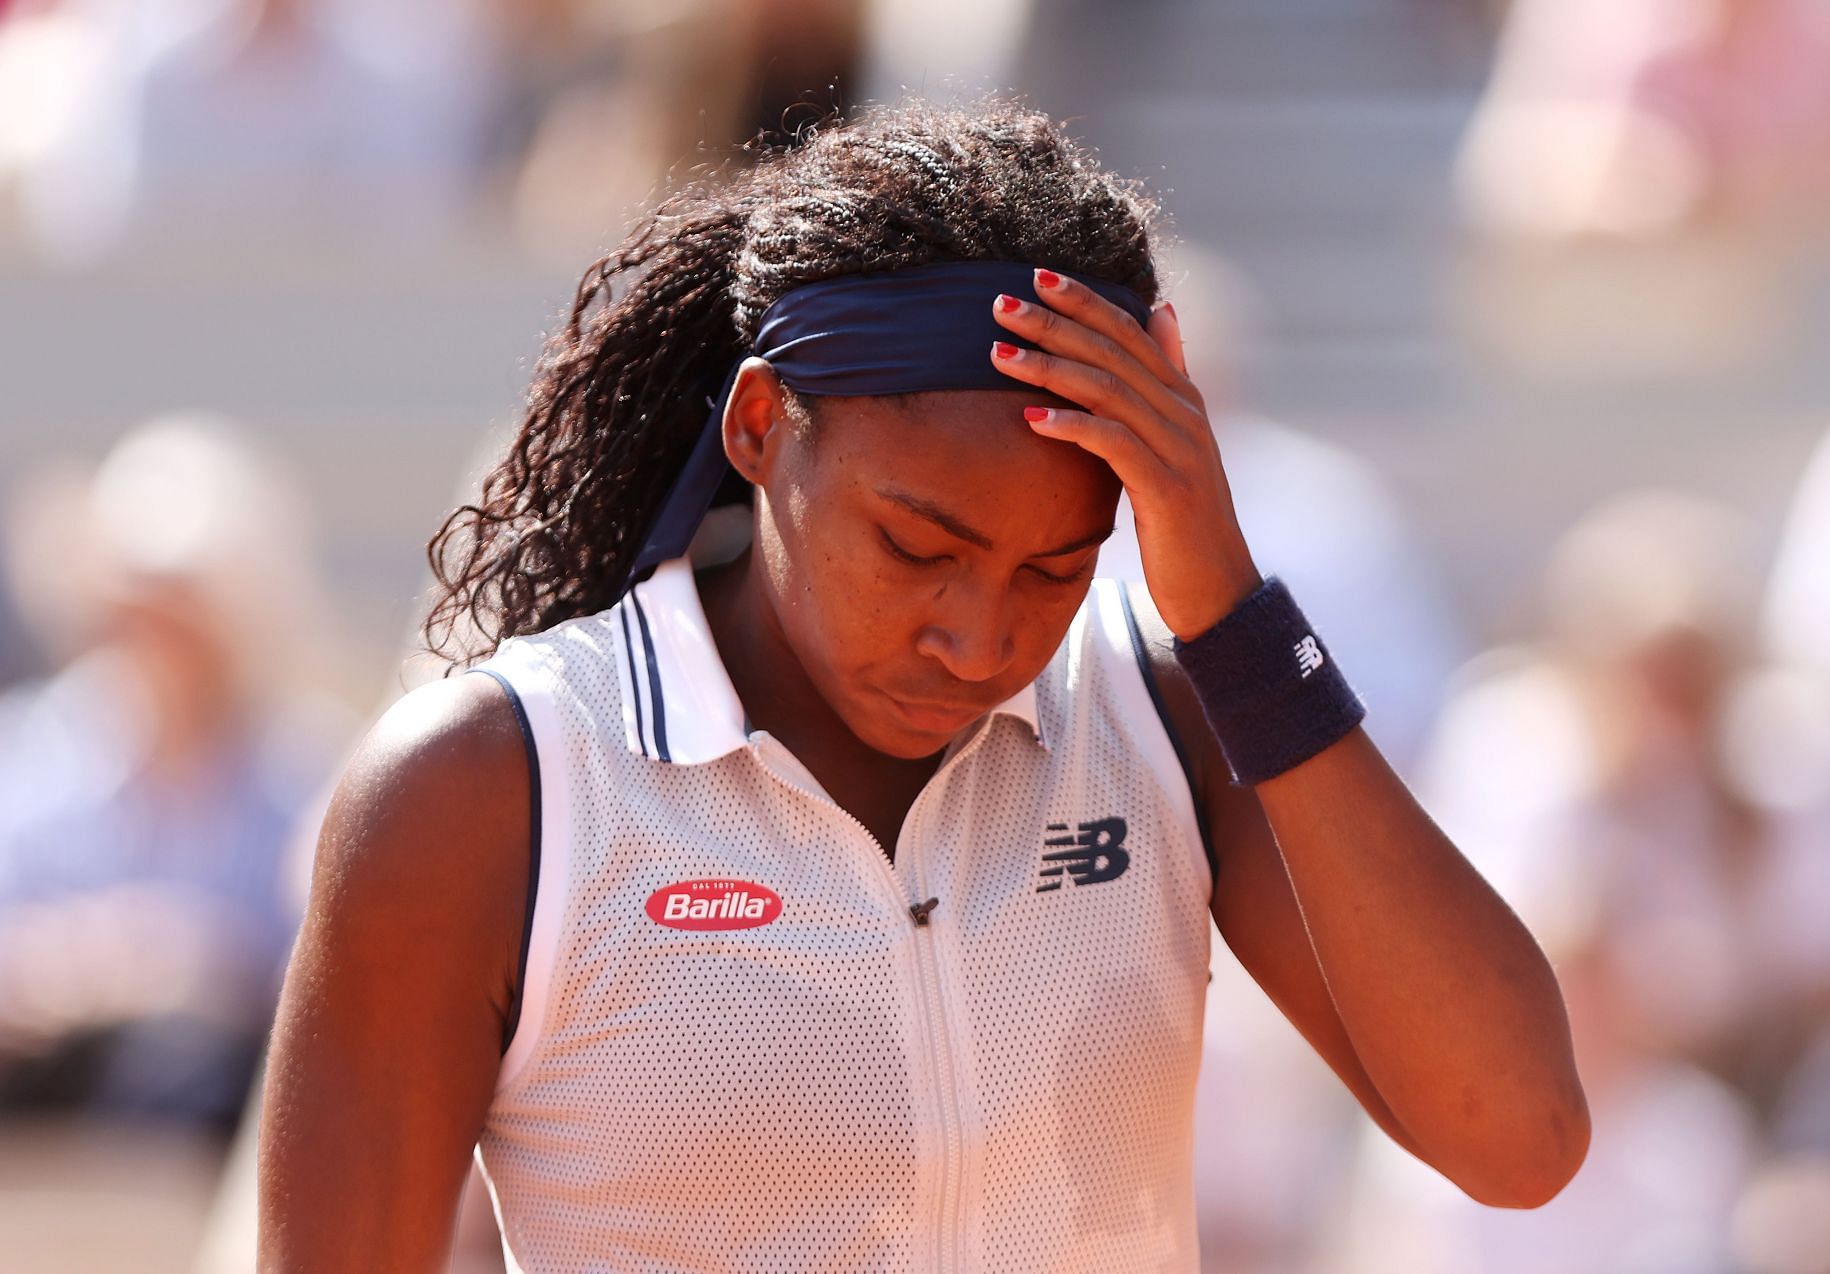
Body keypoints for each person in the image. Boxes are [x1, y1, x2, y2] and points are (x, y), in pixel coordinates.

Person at [257, 98, 1588, 1271]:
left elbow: (1518, 1137)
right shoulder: (485, 788)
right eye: (918, 547)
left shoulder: (1175, 710)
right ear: (764, 426)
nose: (979, 637)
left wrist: (1236, 622)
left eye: (1053, 566)